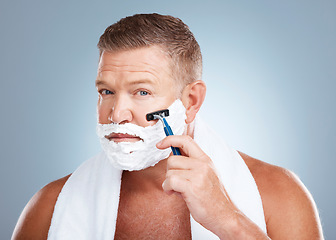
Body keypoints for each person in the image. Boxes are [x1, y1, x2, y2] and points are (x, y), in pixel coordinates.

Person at [12, 13, 323, 240]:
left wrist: (229, 221)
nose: (117, 113)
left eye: (142, 92)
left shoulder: (279, 195)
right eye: (106, 91)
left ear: (190, 101)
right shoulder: (49, 208)